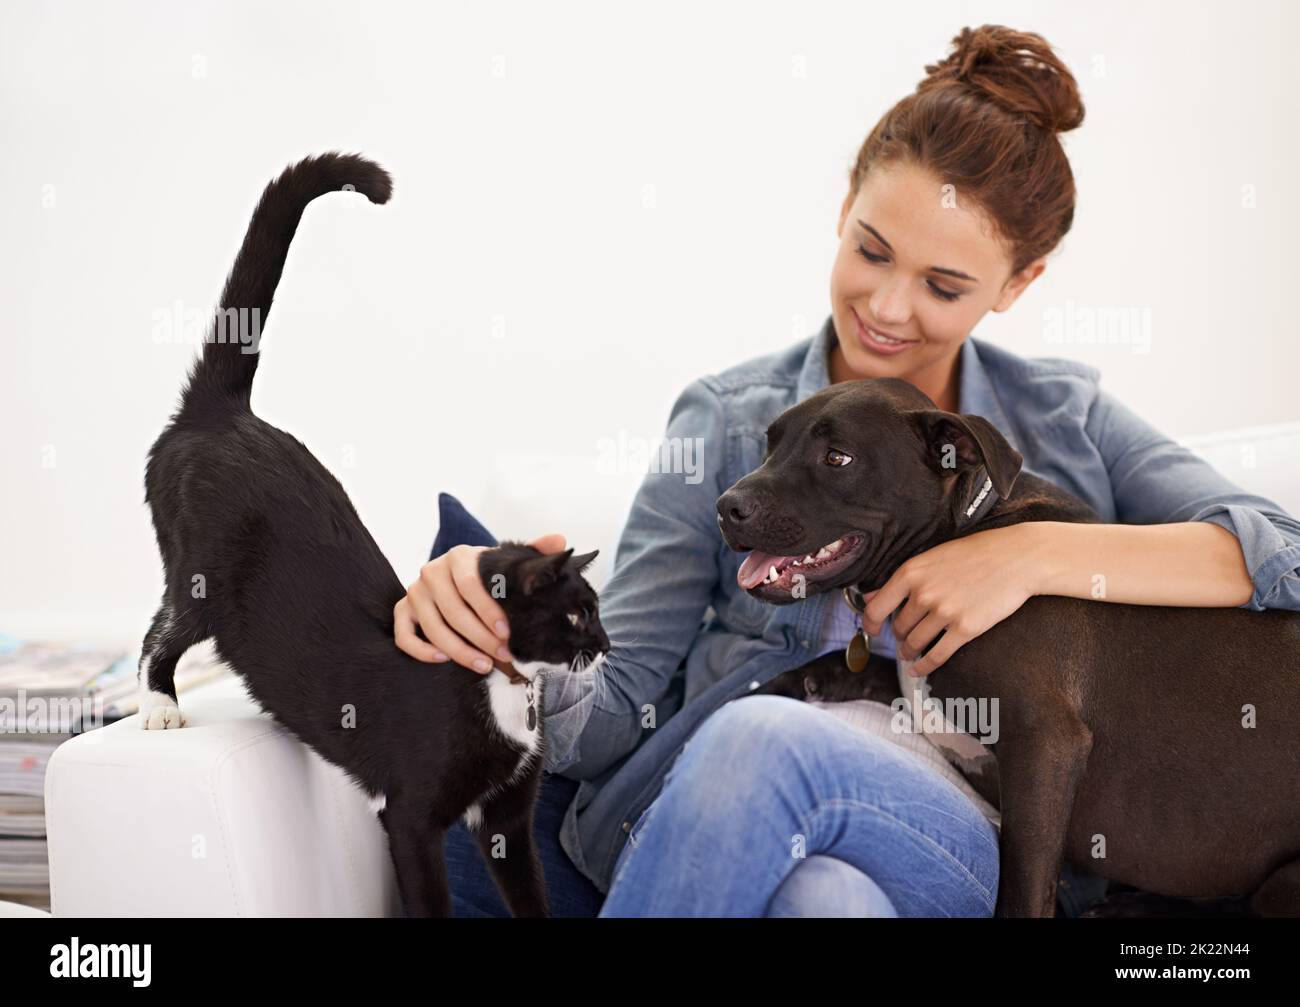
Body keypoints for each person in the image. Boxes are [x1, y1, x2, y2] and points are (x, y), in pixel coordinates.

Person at [393, 24, 1300, 917]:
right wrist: (511, 630)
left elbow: (1284, 553)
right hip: (744, 819)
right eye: (870, 250)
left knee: (761, 739)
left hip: (963, 837)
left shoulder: (1066, 421)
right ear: (842, 210)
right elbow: (613, 711)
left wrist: (1026, 556)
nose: (888, 309)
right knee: (819, 892)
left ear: (1017, 283)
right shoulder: (725, 417)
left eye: (944, 286)